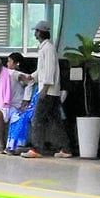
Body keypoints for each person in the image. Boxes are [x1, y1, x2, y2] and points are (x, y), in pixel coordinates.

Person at [21, 20, 72, 158]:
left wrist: (44, 88)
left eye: (36, 31)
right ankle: (66, 149)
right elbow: (42, 70)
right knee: (56, 121)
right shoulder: (45, 48)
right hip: (51, 91)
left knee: (37, 119)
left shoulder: (48, 49)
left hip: (48, 91)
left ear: (40, 32)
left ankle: (37, 149)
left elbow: (49, 70)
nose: (35, 34)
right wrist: (31, 77)